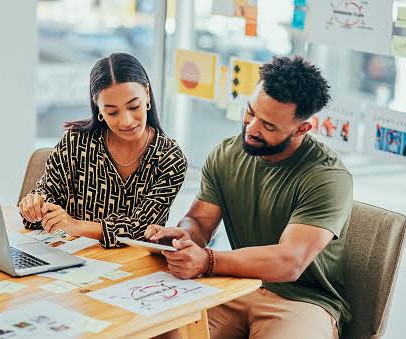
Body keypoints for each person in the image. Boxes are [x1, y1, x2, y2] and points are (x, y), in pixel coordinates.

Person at [147, 56, 352, 339]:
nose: (252, 128)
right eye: (250, 112)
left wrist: (207, 260)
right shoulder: (225, 154)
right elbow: (199, 221)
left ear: (302, 129)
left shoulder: (327, 177)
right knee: (158, 331)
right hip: (237, 284)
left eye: (269, 126)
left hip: (302, 300)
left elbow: (288, 262)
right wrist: (183, 239)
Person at [19, 53, 188, 248]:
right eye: (112, 112)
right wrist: (35, 206)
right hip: (71, 258)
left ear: (147, 94)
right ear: (98, 108)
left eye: (134, 106)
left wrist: (75, 226)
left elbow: (142, 230)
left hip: (133, 269)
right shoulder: (76, 141)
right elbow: (47, 195)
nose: (127, 121)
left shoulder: (169, 158)